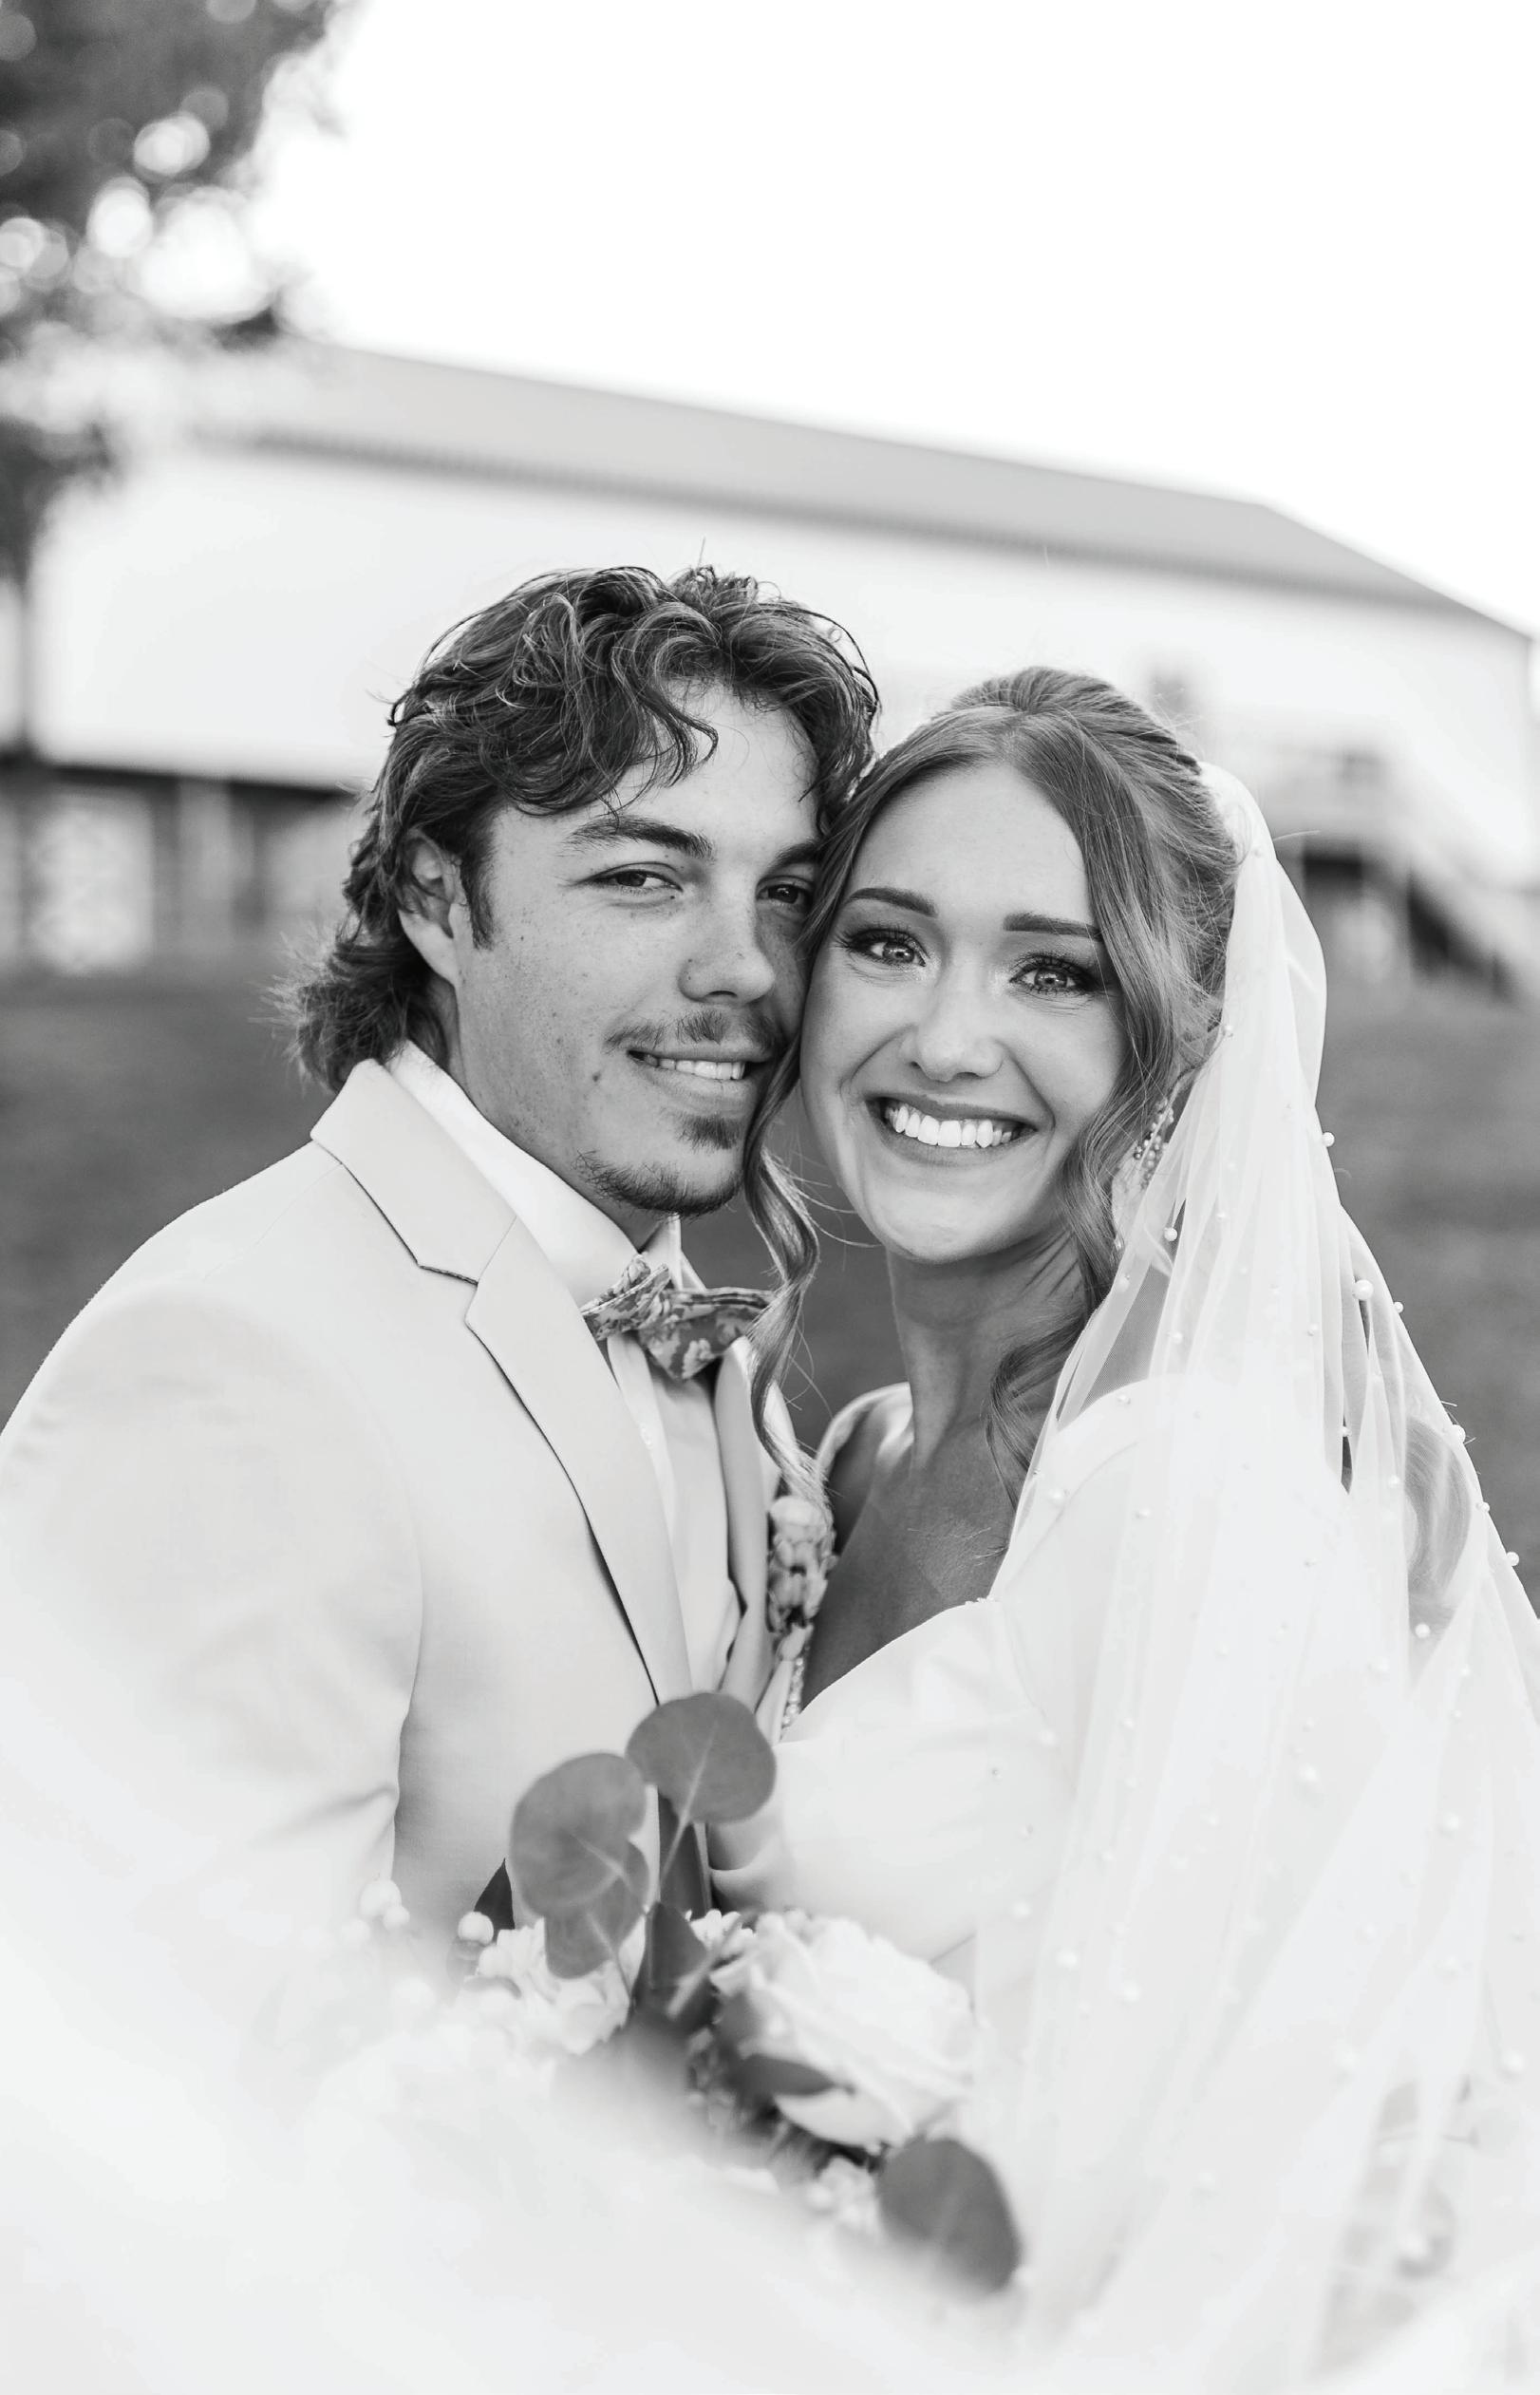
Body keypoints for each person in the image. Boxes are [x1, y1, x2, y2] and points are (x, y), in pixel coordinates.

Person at [717, 668, 1540, 2386]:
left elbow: (1254, 2206)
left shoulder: (1187, 1492)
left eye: (1053, 971)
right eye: (888, 941)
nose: (947, 1036)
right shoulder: (853, 1461)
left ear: (1176, 1041)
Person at [0, 564, 875, 2023]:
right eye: (642, 876)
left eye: (784, 891)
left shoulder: (716, 1354)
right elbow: (137, 2062)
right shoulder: (231, 1360)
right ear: (434, 897)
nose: (745, 970)